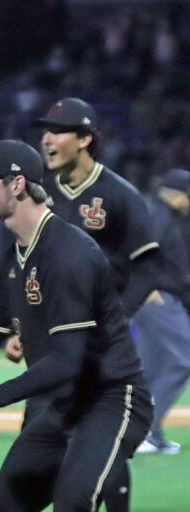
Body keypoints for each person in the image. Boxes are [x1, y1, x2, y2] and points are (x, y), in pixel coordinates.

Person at [0, 139, 152, 511]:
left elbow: (68, 359)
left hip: (110, 399)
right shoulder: (14, 258)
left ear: (16, 185)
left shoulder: (69, 254)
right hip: (61, 404)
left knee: (72, 502)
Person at [6, 97, 171, 510]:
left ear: (84, 139)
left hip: (100, 352)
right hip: (51, 344)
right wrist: (19, 325)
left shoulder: (120, 195)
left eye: (58, 131)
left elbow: (149, 269)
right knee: (40, 440)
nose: (46, 138)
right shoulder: (39, 197)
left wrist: (112, 319)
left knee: (99, 434)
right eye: (45, 130)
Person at [133, 168, 190, 454]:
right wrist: (146, 284)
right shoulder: (159, 214)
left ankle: (145, 432)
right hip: (158, 299)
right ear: (178, 194)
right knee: (184, 359)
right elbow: (136, 249)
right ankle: (145, 431)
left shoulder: (161, 214)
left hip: (159, 300)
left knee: (151, 368)